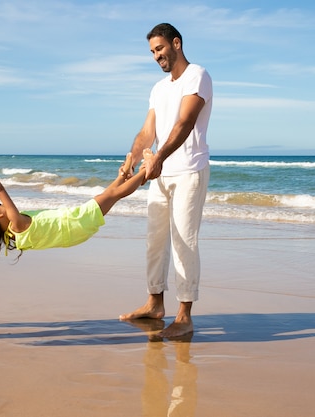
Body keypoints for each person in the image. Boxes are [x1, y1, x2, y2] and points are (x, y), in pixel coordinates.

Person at [0, 152, 149, 307]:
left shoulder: (11, 233)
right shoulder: (17, 224)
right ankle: (145, 172)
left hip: (72, 233)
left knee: (106, 196)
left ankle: (124, 175)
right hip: (74, 223)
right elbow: (0, 191)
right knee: (113, 195)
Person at [119, 23, 212, 338]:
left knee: (185, 240)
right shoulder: (158, 88)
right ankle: (155, 304)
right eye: (152, 52)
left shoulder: (198, 76)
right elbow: (148, 132)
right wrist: (132, 159)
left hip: (189, 171)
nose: (156, 56)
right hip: (160, 174)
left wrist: (159, 156)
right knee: (155, 241)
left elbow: (185, 122)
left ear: (176, 43)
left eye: (159, 49)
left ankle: (184, 317)